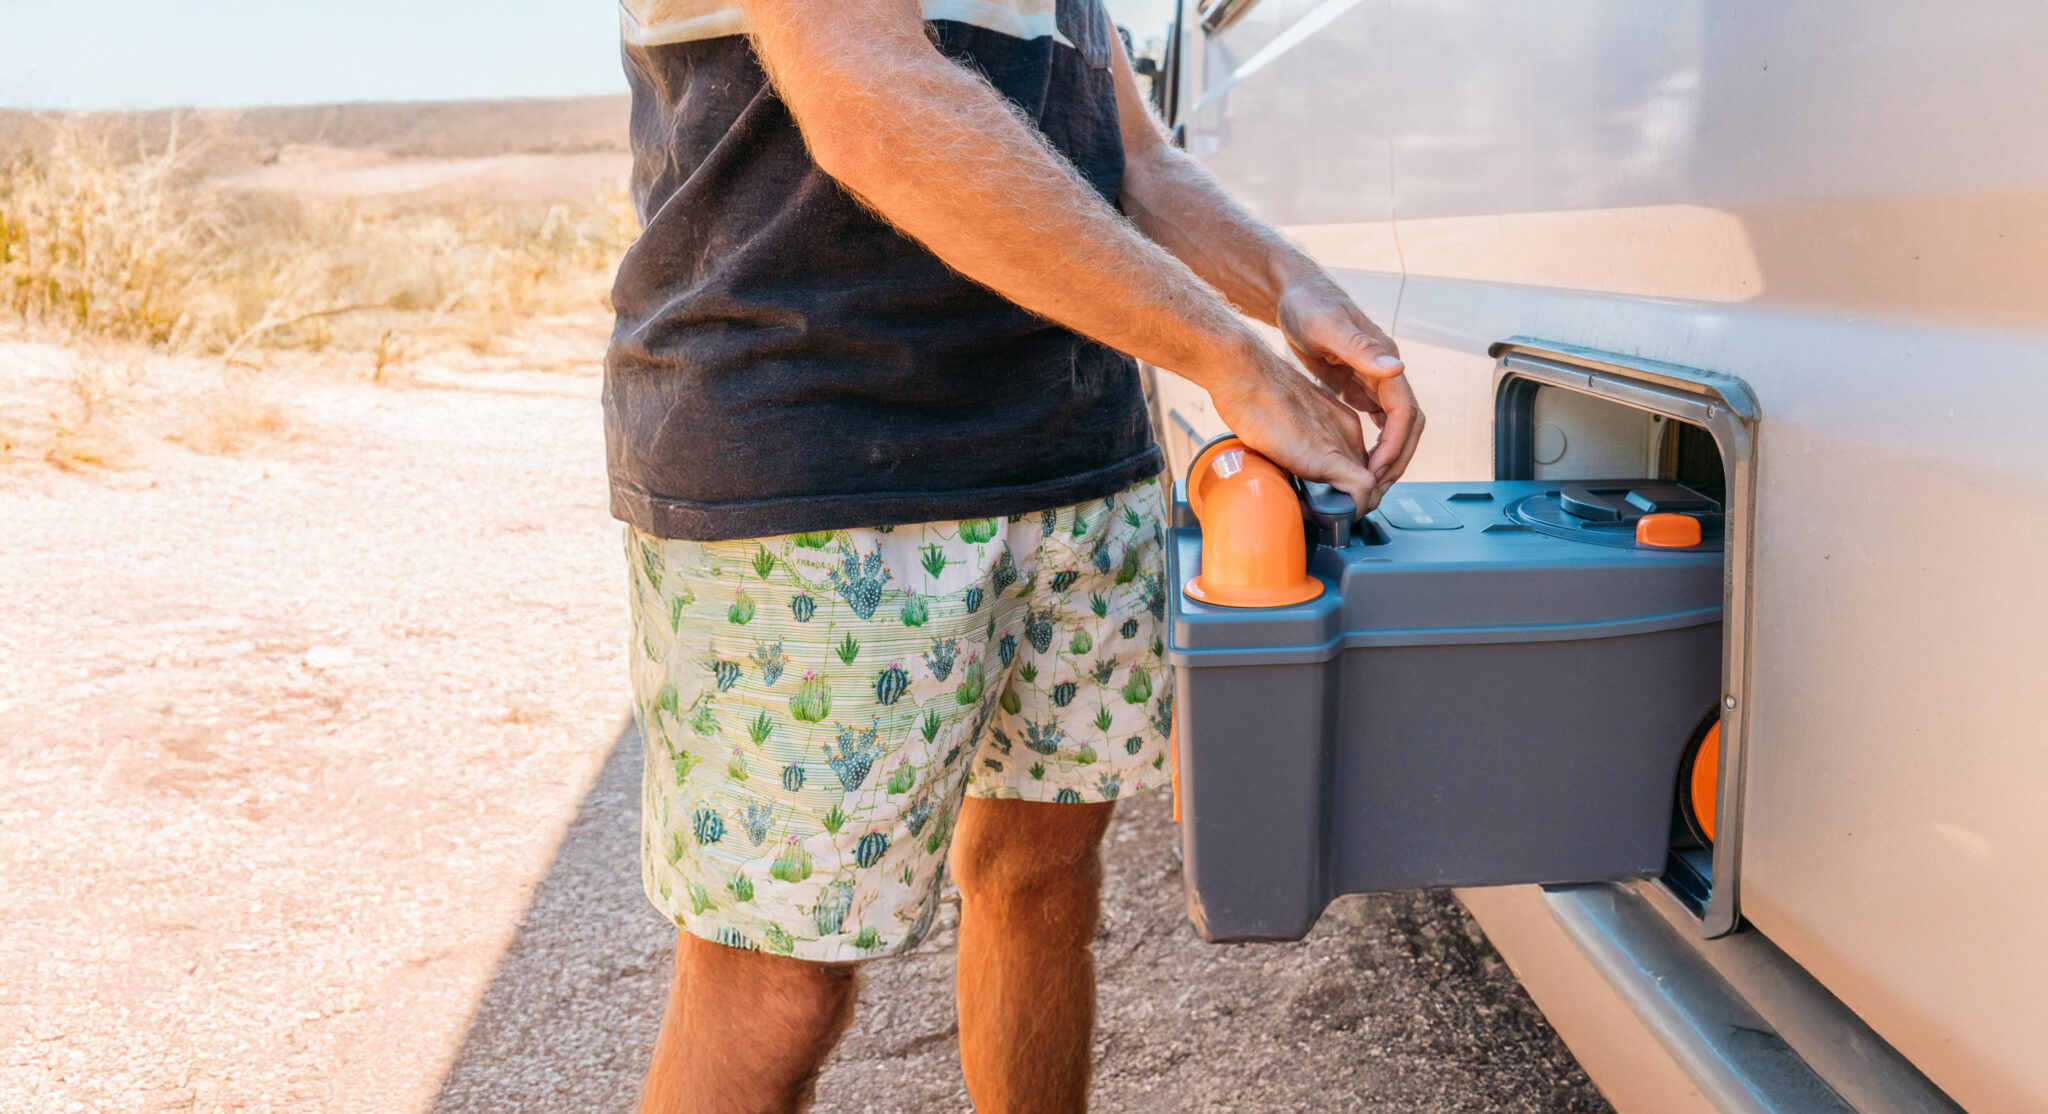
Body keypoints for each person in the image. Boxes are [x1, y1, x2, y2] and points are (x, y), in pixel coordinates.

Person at [606, 0, 1423, 1109]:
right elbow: (865, 95)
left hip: (1072, 452)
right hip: (816, 473)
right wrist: (1221, 354)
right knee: (775, 983)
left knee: (1040, 882)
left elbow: (1124, 154)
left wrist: (1291, 292)